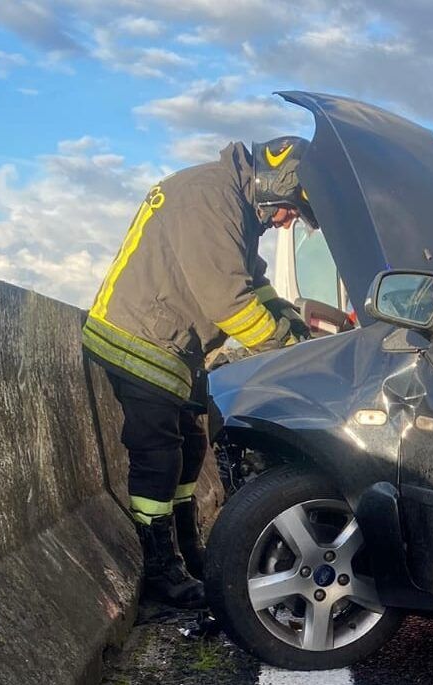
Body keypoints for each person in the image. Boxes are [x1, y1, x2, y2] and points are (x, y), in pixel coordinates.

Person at [82, 136, 315, 608]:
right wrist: (285, 347)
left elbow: (253, 281)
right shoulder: (211, 198)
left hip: (170, 343)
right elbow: (227, 301)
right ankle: (159, 571)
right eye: (292, 208)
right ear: (277, 183)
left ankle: (188, 548)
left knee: (190, 448)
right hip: (139, 339)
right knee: (158, 457)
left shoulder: (235, 204)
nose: (288, 220)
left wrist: (291, 321)